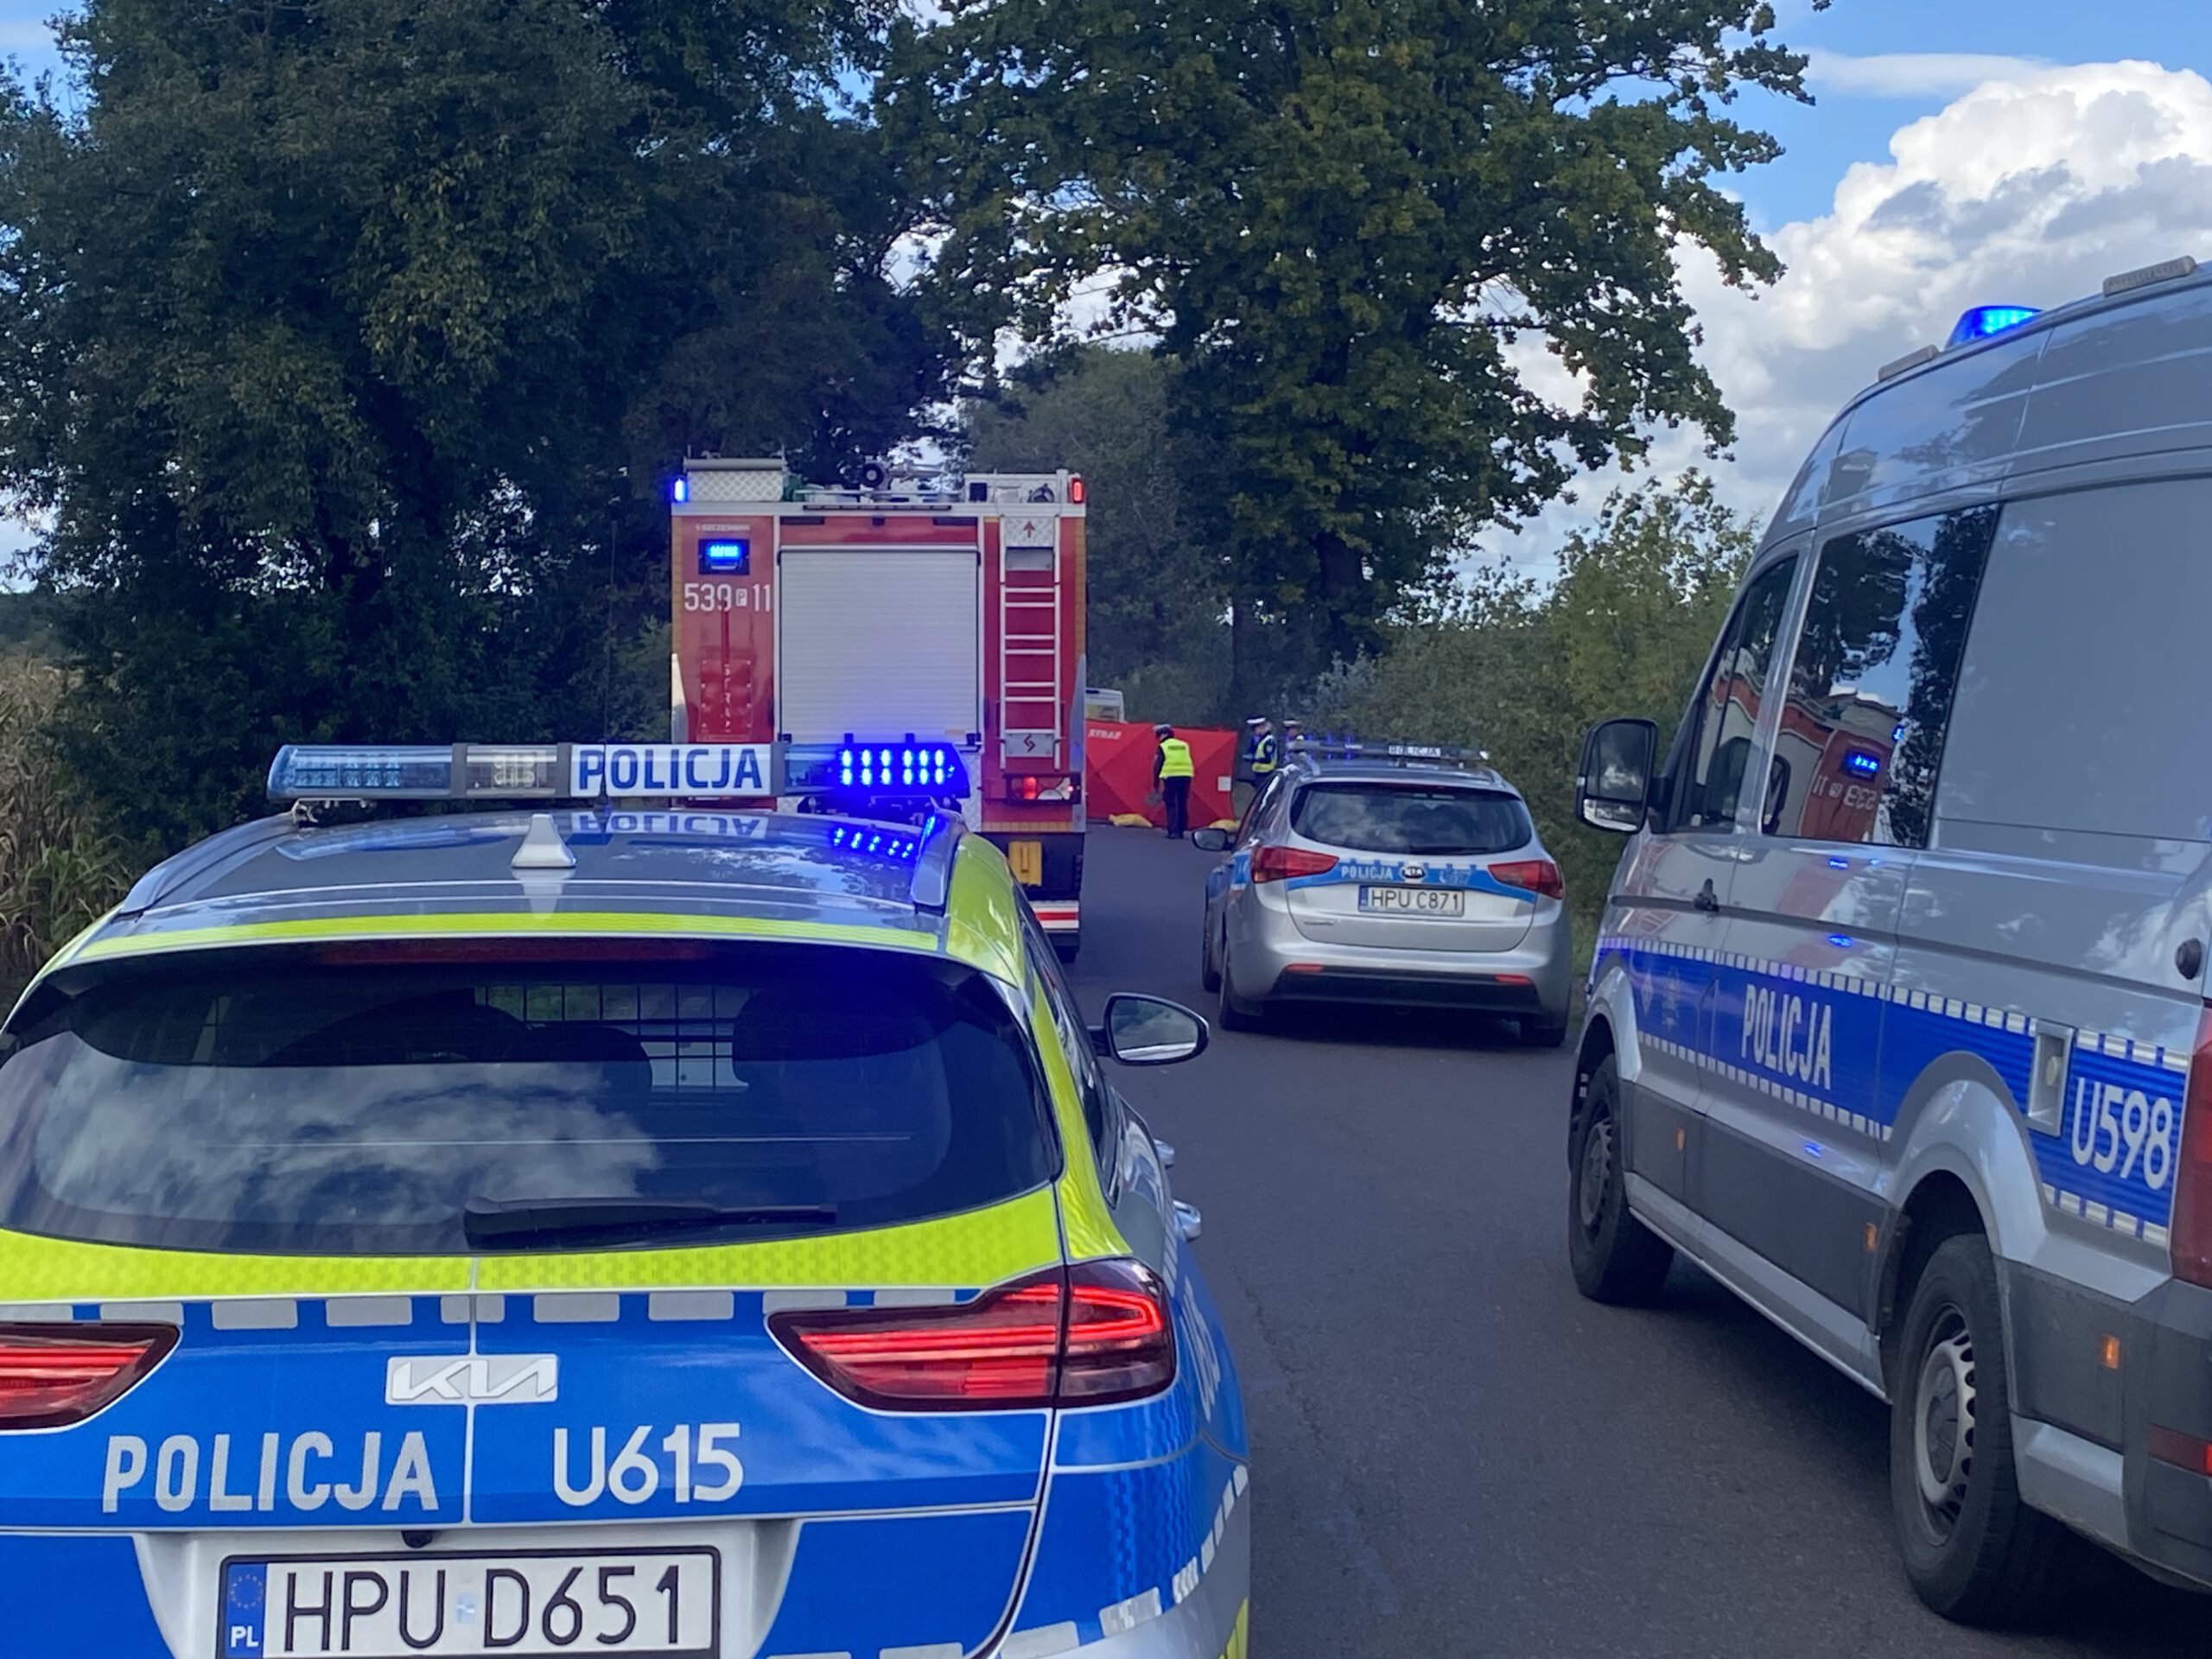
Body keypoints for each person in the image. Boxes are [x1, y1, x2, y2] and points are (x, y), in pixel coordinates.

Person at [1154, 722, 1194, 839]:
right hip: (1186, 775)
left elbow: (1158, 765)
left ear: (1164, 735)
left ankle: (1172, 831)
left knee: (1170, 803)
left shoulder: (1163, 746)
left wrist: (1156, 782)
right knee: (1182, 802)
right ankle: (1181, 830)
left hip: (1171, 776)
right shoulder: (1184, 745)